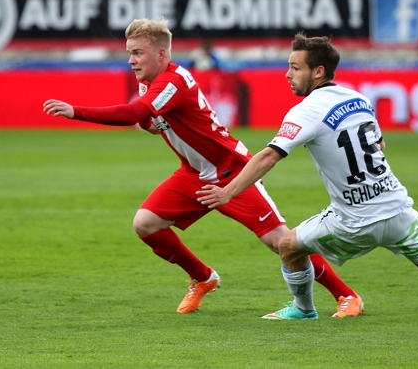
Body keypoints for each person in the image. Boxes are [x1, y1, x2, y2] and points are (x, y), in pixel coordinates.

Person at [43, 18, 363, 317]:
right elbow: (145, 115)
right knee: (146, 223)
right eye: (129, 53)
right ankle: (203, 277)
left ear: (161, 53)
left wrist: (77, 111)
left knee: (282, 243)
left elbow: (133, 114)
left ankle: (346, 296)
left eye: (138, 53)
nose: (131, 60)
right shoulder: (150, 82)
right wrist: (153, 122)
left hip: (231, 171)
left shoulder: (171, 81)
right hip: (193, 173)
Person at [197, 33, 418, 324]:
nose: (287, 74)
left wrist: (228, 192)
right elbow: (379, 144)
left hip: (354, 218)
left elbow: (269, 155)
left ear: (318, 72)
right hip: (397, 207)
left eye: (295, 68)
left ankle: (304, 308)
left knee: (288, 246)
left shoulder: (305, 111)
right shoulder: (358, 98)